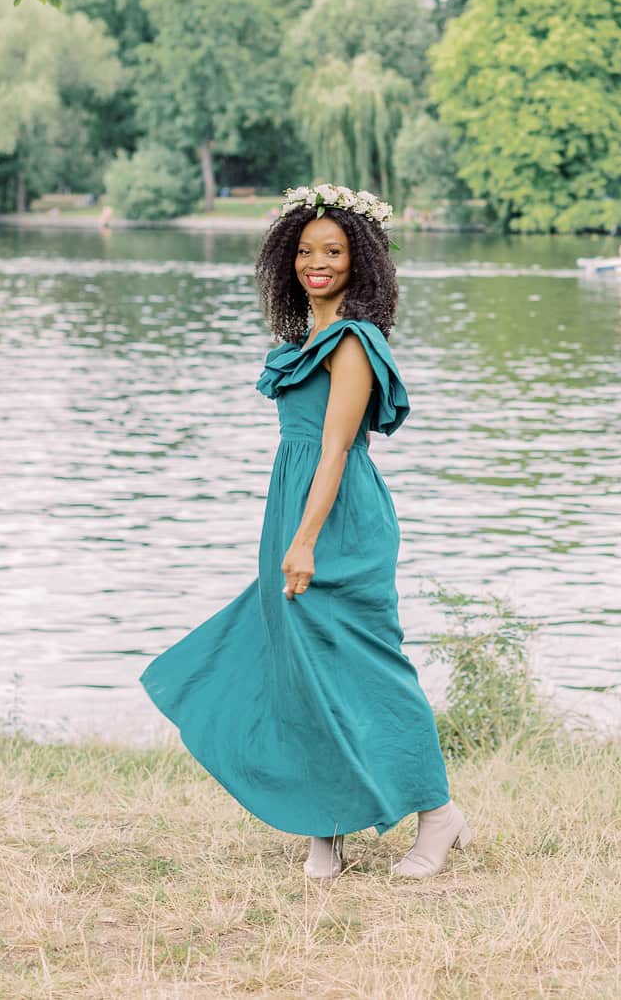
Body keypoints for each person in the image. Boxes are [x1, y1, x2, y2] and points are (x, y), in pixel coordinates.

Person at [139, 181, 471, 881]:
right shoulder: (306, 337)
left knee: (368, 663)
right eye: (306, 250)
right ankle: (325, 823)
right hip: (292, 506)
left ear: (361, 261)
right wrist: (288, 531)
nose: (317, 262)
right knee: (296, 665)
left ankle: (438, 814)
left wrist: (305, 538)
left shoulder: (353, 341)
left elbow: (335, 449)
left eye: (335, 250)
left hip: (337, 515)